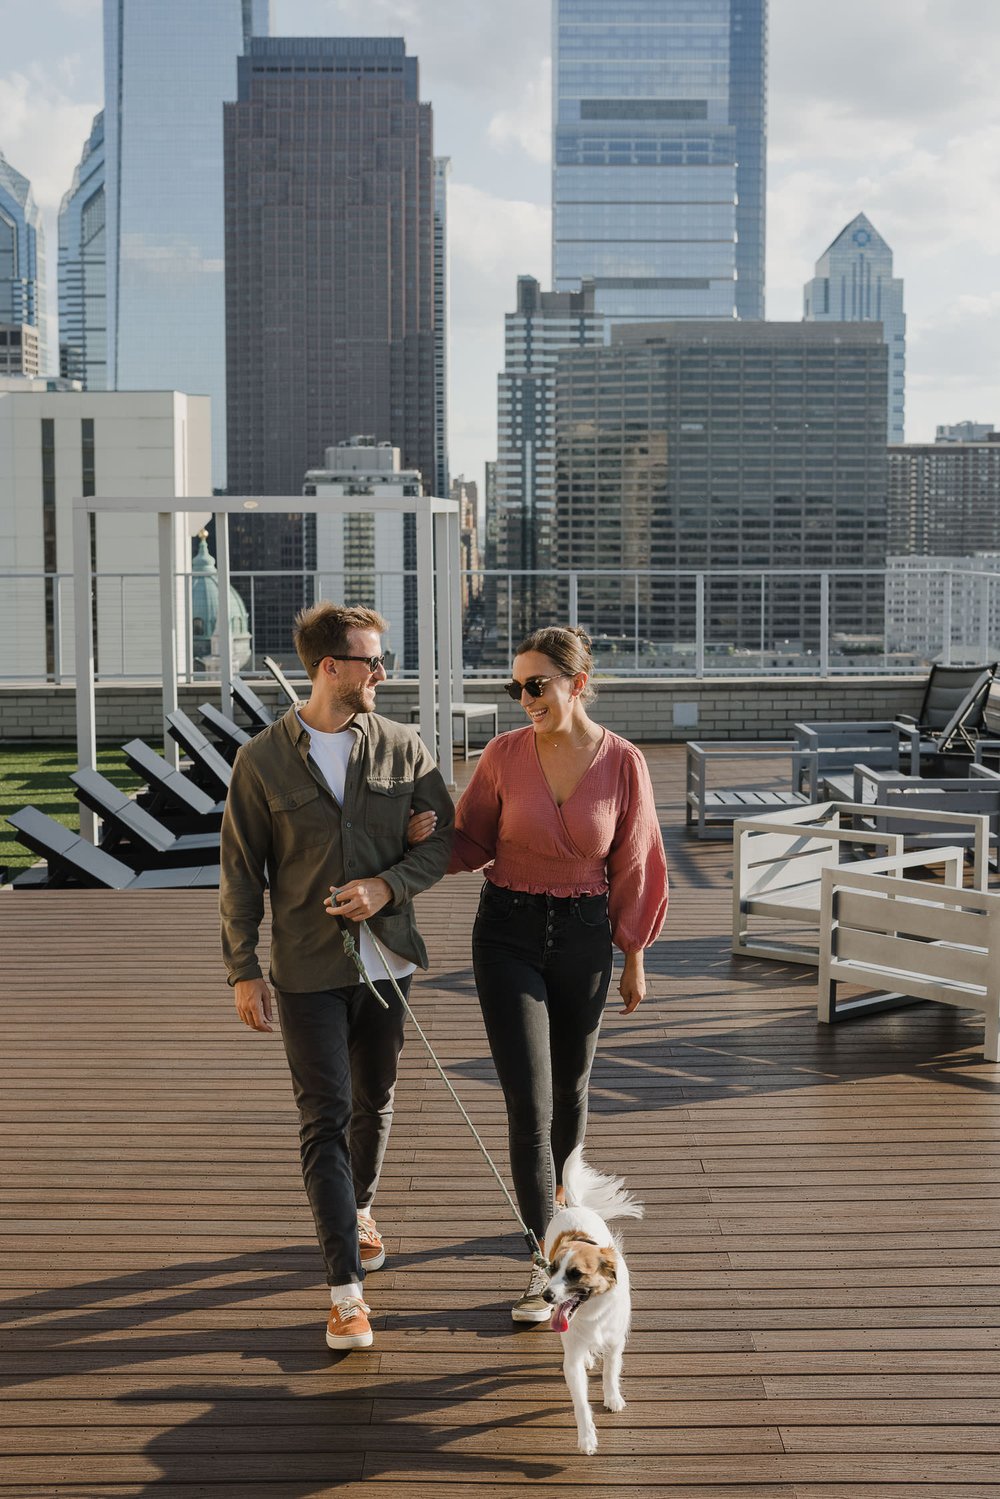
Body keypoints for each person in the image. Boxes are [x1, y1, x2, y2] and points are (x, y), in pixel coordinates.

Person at [412, 625, 667, 1322]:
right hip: (508, 933)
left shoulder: (622, 763)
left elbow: (636, 861)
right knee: (529, 1101)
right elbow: (469, 840)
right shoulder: (503, 754)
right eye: (514, 686)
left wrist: (634, 953)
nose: (524, 698)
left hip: (585, 937)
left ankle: (571, 1230)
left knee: (572, 1093)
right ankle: (541, 1262)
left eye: (536, 685)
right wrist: (415, 844)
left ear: (576, 684)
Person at [220, 603, 454, 1352]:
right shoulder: (260, 761)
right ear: (330, 668)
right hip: (305, 968)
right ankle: (345, 1293)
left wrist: (388, 885)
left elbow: (442, 838)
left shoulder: (404, 745)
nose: (382, 673)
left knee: (375, 1100)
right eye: (370, 661)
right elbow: (239, 875)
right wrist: (242, 969)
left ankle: (361, 1205)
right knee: (324, 1113)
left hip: (389, 962)